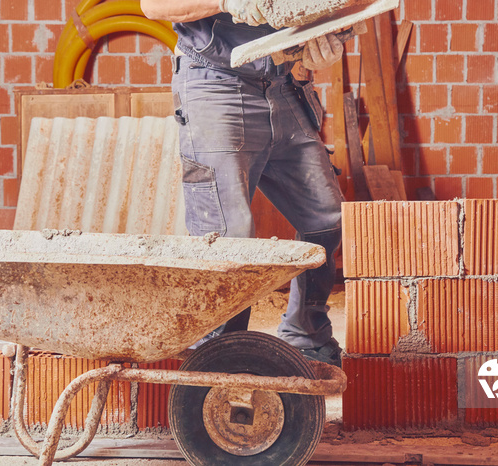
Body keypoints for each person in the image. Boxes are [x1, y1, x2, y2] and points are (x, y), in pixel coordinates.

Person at [141, 0, 345, 367]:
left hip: (283, 86)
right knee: (228, 237)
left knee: (326, 218)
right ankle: (221, 356)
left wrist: (319, 43)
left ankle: (306, 338)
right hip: (215, 84)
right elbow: (154, 5)